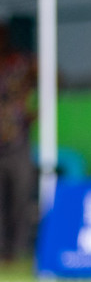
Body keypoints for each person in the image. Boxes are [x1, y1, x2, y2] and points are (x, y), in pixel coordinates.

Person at [0, 19, 37, 263]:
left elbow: (53, 80)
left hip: (17, 140)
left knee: (20, 200)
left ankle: (20, 251)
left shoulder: (22, 63)